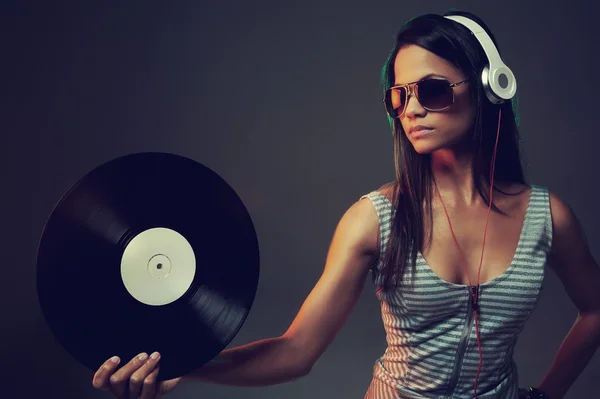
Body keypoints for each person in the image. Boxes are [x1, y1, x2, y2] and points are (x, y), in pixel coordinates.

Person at [91, 9, 600, 399]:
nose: (412, 108)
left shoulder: (547, 217)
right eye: (399, 95)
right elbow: (295, 352)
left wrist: (546, 394)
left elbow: (595, 310)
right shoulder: (373, 219)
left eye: (432, 89)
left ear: (491, 87)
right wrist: (184, 364)